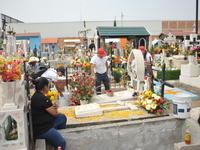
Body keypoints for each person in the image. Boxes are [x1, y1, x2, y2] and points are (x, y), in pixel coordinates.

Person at [31, 77, 67, 150]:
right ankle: (56, 139)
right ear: (45, 87)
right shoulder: (43, 99)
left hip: (44, 123)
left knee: (62, 117)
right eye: (48, 86)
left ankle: (58, 134)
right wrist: (55, 109)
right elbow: (55, 114)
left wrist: (53, 108)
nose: (49, 88)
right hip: (43, 129)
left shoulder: (35, 96)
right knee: (62, 143)